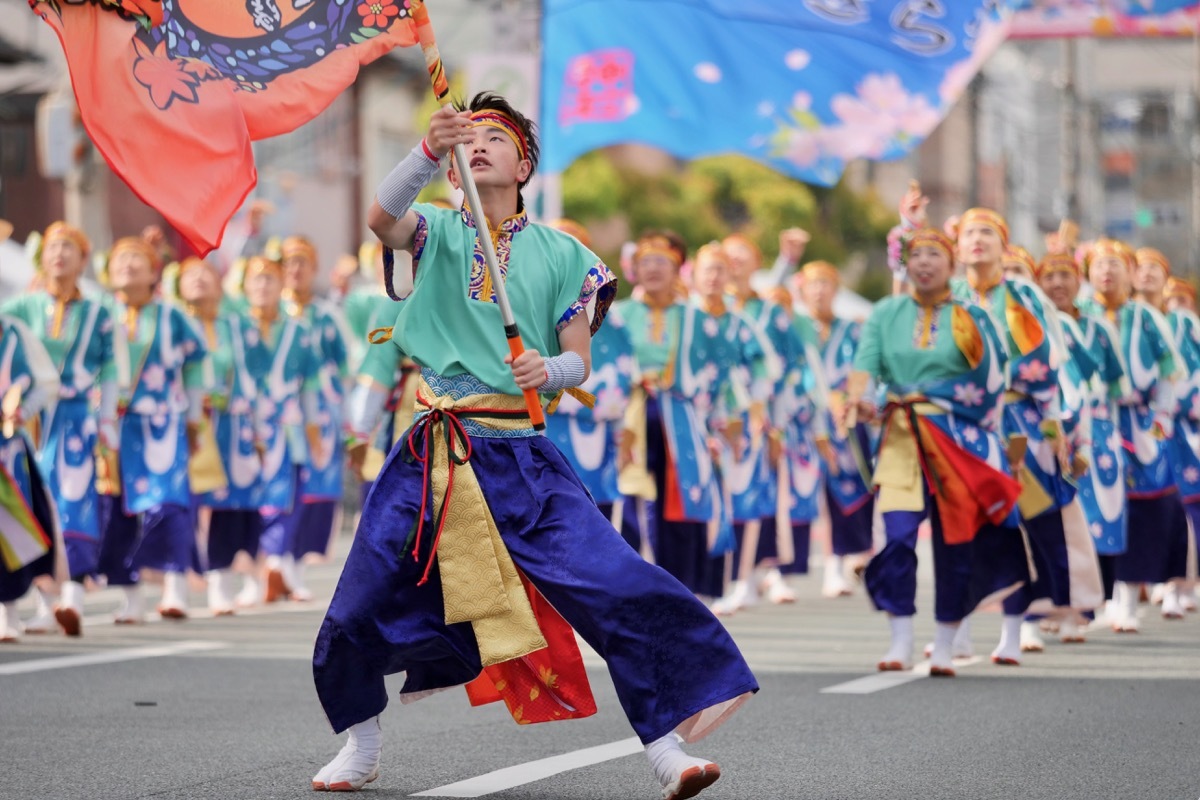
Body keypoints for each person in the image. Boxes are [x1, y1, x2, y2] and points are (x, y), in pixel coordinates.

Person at [311, 93, 755, 798]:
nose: (479, 146)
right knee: (360, 600)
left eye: (497, 138)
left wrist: (548, 370)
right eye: (469, 141)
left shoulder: (565, 254)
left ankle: (666, 747)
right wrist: (427, 149)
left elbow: (580, 361)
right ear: (454, 169)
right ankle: (359, 739)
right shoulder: (435, 231)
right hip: (433, 451)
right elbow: (380, 219)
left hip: (521, 452)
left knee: (612, 582)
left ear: (525, 163)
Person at [849, 225, 1028, 676]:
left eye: (935, 254)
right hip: (901, 441)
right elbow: (865, 367)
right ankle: (900, 640)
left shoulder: (973, 316)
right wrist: (861, 399)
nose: (924, 263)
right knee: (897, 538)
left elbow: (992, 380)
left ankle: (946, 641)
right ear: (905, 264)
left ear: (952, 265)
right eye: (917, 255)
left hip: (957, 441)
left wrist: (939, 397)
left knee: (956, 543)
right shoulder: (885, 313)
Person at [949, 209, 1099, 666]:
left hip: (1018, 424)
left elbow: (1047, 364)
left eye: (988, 233)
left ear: (1003, 244)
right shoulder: (947, 296)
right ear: (959, 248)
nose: (978, 241)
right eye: (970, 233)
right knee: (960, 527)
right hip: (959, 425)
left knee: (1020, 523)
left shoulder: (1021, 297)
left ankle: (1017, 628)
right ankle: (957, 627)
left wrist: (1057, 424)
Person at [0, 222, 123, 635]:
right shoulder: (19, 308)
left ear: (84, 258)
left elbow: (110, 368)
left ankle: (73, 595)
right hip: (27, 422)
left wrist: (107, 418)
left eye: (70, 247)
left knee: (74, 500)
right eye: (53, 247)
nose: (60, 255)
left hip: (75, 419)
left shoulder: (99, 312)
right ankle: (44, 600)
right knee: (32, 506)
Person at [95, 236, 210, 622]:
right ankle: (130, 597)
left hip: (163, 422)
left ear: (153, 271)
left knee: (169, 505)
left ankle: (174, 585)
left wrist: (193, 416)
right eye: (120, 258)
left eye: (136, 259)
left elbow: (196, 362)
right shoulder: (100, 314)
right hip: (113, 427)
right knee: (117, 510)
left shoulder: (172, 316)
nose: (127, 264)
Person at [1085, 239, 1190, 631]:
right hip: (1092, 424)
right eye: (1099, 264)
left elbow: (1170, 372)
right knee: (1092, 508)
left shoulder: (1145, 317)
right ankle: (1093, 594)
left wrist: (1160, 422)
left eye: (1116, 264)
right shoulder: (1080, 315)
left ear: (1130, 271)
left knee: (1144, 510)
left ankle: (1128, 594)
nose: (1107, 272)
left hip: (1139, 425)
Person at [174, 256, 264, 615]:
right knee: (187, 502)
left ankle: (229, 577)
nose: (197, 280)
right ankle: (186, 577)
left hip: (231, 423)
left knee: (235, 501)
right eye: (189, 274)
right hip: (186, 423)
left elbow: (251, 374)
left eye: (205, 274)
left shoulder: (235, 325)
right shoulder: (174, 323)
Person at [541, 219, 639, 547]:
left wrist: (555, 391)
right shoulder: (525, 303)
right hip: (534, 426)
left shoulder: (609, 315)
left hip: (591, 430)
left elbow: (620, 379)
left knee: (592, 519)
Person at [241, 255, 323, 605]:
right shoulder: (235, 327)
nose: (263, 286)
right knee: (247, 502)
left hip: (287, 427)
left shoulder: (299, 331)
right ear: (244, 286)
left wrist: (314, 429)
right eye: (256, 279)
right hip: (244, 428)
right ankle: (252, 574)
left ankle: (278, 565)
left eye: (270, 279)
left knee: (287, 498)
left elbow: (310, 385)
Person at [275, 235, 351, 602]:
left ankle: (296, 566)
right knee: (279, 489)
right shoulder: (270, 312)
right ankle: (272, 564)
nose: (295, 269)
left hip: (320, 414)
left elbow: (344, 364)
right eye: (289, 262)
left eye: (302, 262)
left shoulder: (325, 315)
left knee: (315, 493)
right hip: (279, 416)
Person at [797, 259, 873, 599]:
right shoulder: (795, 329)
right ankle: (822, 564)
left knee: (853, 488)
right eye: (813, 284)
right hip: (803, 421)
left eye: (825, 283)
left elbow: (862, 370)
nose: (819, 291)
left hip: (844, 420)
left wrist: (854, 401)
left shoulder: (852, 329)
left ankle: (847, 559)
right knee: (810, 491)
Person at [1131, 248, 1196, 619]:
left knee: (1175, 505)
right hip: (1131, 428)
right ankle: (1137, 585)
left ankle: (1174, 584)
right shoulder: (1120, 319)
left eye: (1156, 267)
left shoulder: (1181, 323)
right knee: (1138, 508)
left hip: (1173, 428)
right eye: (1140, 268)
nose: (1147, 274)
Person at [0, 313, 62, 641]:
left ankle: (9, 610)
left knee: (13, 527)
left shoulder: (14, 332)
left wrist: (21, 412)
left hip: (8, 450)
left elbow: (46, 384)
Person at [1163, 275, 1200, 613]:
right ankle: (1175, 583)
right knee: (1176, 507)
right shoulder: (1158, 338)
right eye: (1169, 303)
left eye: (1183, 302)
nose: (1176, 311)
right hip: (1169, 435)